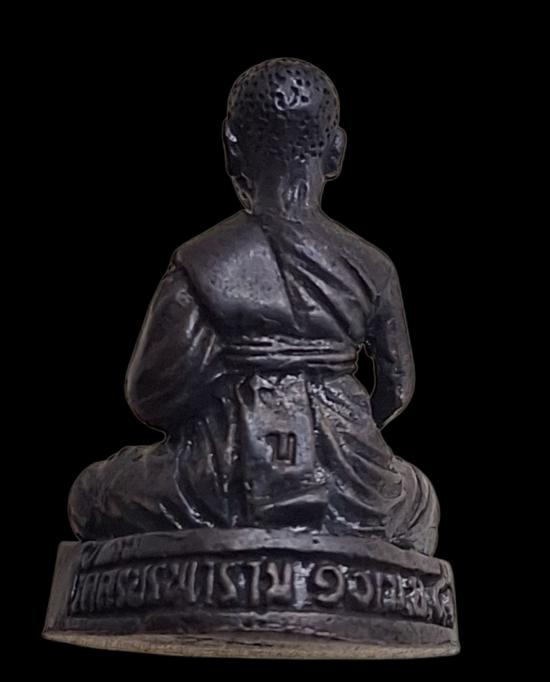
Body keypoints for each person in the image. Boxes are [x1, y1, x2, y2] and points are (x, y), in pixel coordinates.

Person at [69, 58, 439, 555]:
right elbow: (396, 389)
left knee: (93, 493)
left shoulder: (202, 261)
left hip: (219, 476)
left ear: (231, 147)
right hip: (346, 482)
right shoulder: (373, 266)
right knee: (418, 499)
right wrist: (344, 432)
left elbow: (151, 396)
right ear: (335, 151)